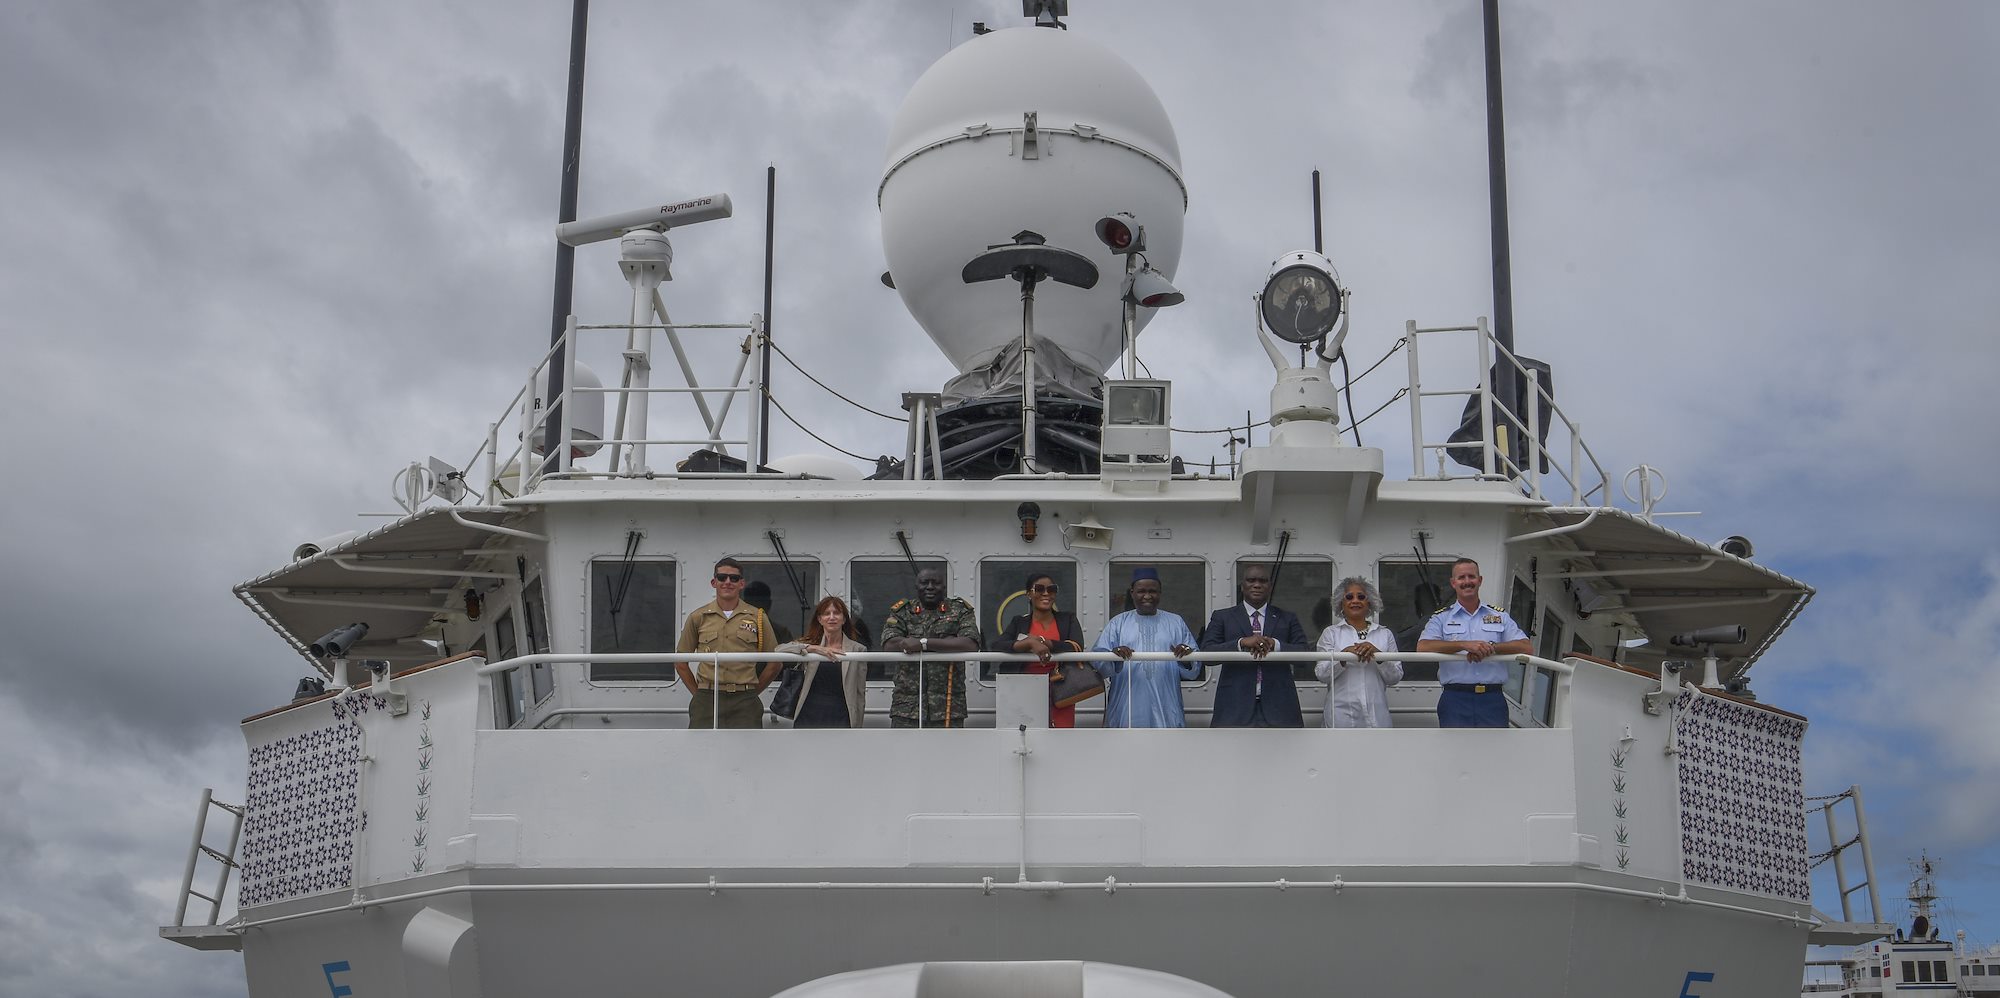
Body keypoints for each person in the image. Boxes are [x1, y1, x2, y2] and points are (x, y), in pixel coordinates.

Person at [1416, 557, 1531, 728]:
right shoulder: (1441, 618)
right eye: (1461, 577)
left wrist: (1491, 648)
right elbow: (1423, 647)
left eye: (1471, 576)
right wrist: (1464, 645)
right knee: (1454, 745)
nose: (1467, 582)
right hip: (1455, 699)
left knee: (1495, 746)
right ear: (1453, 583)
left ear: (1480, 580)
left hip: (1492, 699)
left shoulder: (1500, 616)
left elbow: (1526, 647)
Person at [1200, 563, 1312, 727]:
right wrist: (1241, 643)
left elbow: (1305, 656)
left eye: (1262, 581)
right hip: (1234, 706)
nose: (1257, 585)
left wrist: (1275, 644)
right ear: (1242, 586)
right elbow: (1206, 653)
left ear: (1270, 587)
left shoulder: (1287, 618)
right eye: (1251, 580)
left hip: (1280, 708)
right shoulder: (1223, 617)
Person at [675, 557, 780, 729]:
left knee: (747, 746)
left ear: (742, 583)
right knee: (702, 745)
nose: (728, 582)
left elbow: (775, 663)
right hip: (707, 698)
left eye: (734, 578)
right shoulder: (698, 617)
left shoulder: (758, 617)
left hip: (745, 701)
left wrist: (752, 692)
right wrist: (699, 694)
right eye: (722, 577)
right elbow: (680, 662)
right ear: (714, 582)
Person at [1092, 567, 1199, 728]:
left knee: (1168, 741)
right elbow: (1099, 662)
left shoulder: (1176, 622)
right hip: (1126, 704)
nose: (1147, 596)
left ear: (1160, 593)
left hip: (1166, 703)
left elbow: (1195, 668)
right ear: (1132, 593)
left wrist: (1185, 657)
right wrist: (1115, 657)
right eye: (1141, 591)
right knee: (1126, 740)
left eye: (1152, 591)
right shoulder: (1118, 623)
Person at [879, 567, 981, 728]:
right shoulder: (903, 611)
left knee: (949, 746)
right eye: (924, 583)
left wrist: (922, 643)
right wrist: (946, 643)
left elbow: (970, 644)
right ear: (916, 586)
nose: (930, 587)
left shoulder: (960, 610)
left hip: (948, 705)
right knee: (903, 745)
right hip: (907, 706)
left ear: (944, 587)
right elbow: (889, 645)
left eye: (936, 583)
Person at [991, 571, 1088, 728]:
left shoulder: (1067, 619)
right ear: (1029, 594)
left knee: (1062, 733)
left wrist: (1045, 642)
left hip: (1062, 688)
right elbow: (997, 645)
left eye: (1051, 589)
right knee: (1027, 735)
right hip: (1025, 688)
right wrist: (1028, 643)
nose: (1046, 594)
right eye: (1039, 589)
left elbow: (1076, 646)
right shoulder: (1019, 622)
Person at [1315, 576, 1402, 728]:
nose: (1355, 601)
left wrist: (1378, 656)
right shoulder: (1330, 633)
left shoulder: (1385, 634)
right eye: (1349, 597)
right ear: (1341, 603)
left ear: (1370, 602)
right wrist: (1343, 657)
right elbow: (1322, 674)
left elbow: (1395, 677)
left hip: (1377, 715)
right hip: (1340, 716)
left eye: (1361, 597)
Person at [775, 596, 868, 728]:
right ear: (820, 619)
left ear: (844, 619)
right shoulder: (810, 644)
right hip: (808, 713)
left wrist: (857, 727)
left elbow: (860, 693)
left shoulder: (858, 649)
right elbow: (779, 650)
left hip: (841, 715)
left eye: (836, 613)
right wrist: (813, 648)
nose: (832, 617)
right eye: (826, 613)